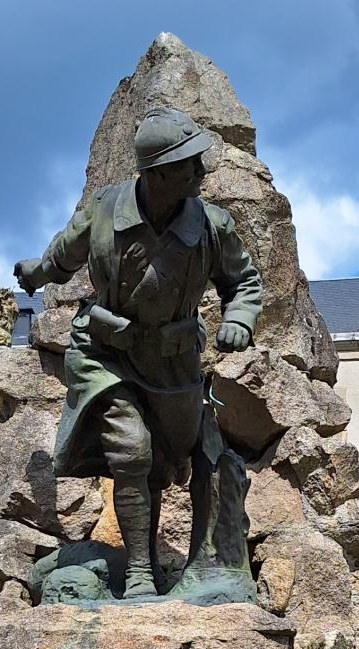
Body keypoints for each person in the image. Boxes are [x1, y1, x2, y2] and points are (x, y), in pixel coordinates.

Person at [14, 107, 262, 598]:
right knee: (131, 451)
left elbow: (244, 282)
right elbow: (62, 254)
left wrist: (238, 319)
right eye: (191, 164)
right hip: (106, 353)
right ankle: (142, 574)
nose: (202, 172)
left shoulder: (214, 227)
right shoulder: (106, 209)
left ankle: (145, 560)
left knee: (160, 465)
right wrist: (35, 274)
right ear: (160, 172)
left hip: (172, 366)